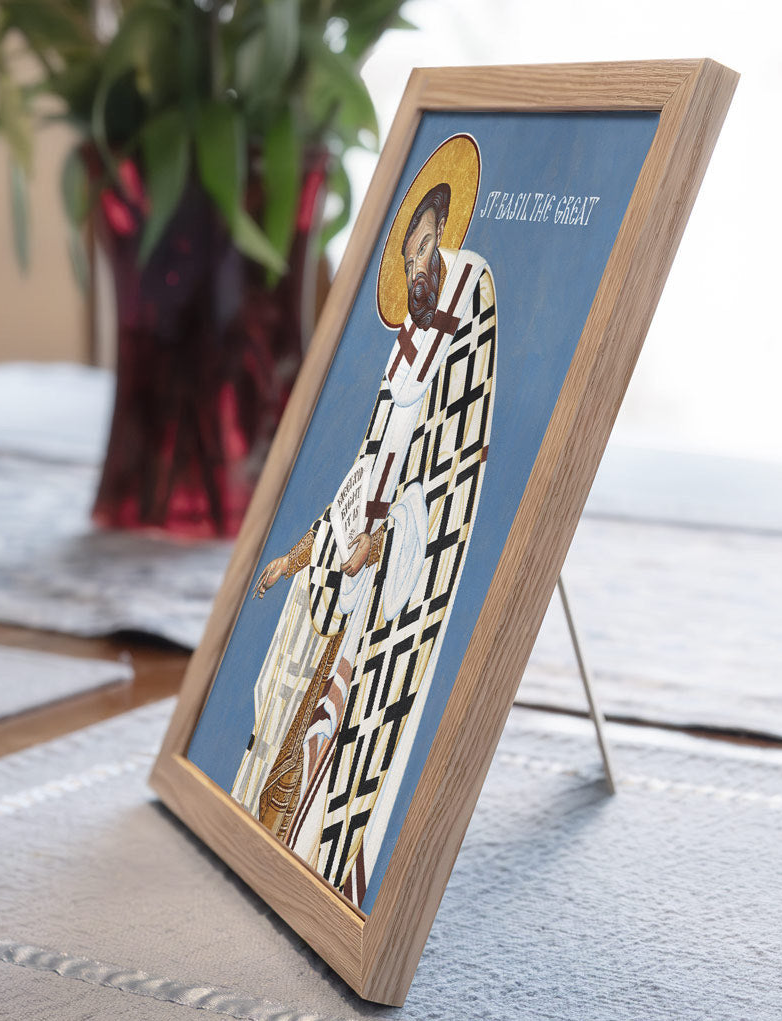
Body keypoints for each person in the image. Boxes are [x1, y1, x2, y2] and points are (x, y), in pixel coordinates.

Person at [231, 164, 497, 908]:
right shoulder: (400, 352)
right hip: (345, 580)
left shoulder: (468, 315)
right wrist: (299, 553)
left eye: (422, 253)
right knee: (294, 714)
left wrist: (389, 539)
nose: (414, 267)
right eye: (406, 256)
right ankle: (271, 845)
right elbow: (364, 474)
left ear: (443, 243)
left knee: (342, 733)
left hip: (392, 586)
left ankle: (320, 871)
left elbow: (449, 463)